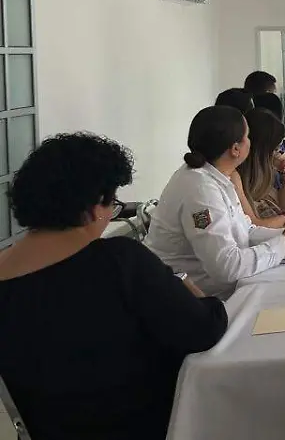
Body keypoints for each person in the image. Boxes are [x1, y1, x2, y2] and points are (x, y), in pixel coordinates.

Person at [0, 133, 228, 440]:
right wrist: (186, 284)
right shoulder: (118, 261)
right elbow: (204, 330)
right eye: (113, 204)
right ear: (96, 206)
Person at [145, 106, 285, 299]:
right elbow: (226, 267)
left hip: (218, 291)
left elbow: (246, 231)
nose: (250, 141)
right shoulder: (200, 190)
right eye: (247, 136)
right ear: (235, 149)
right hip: (191, 300)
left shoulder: (217, 177)